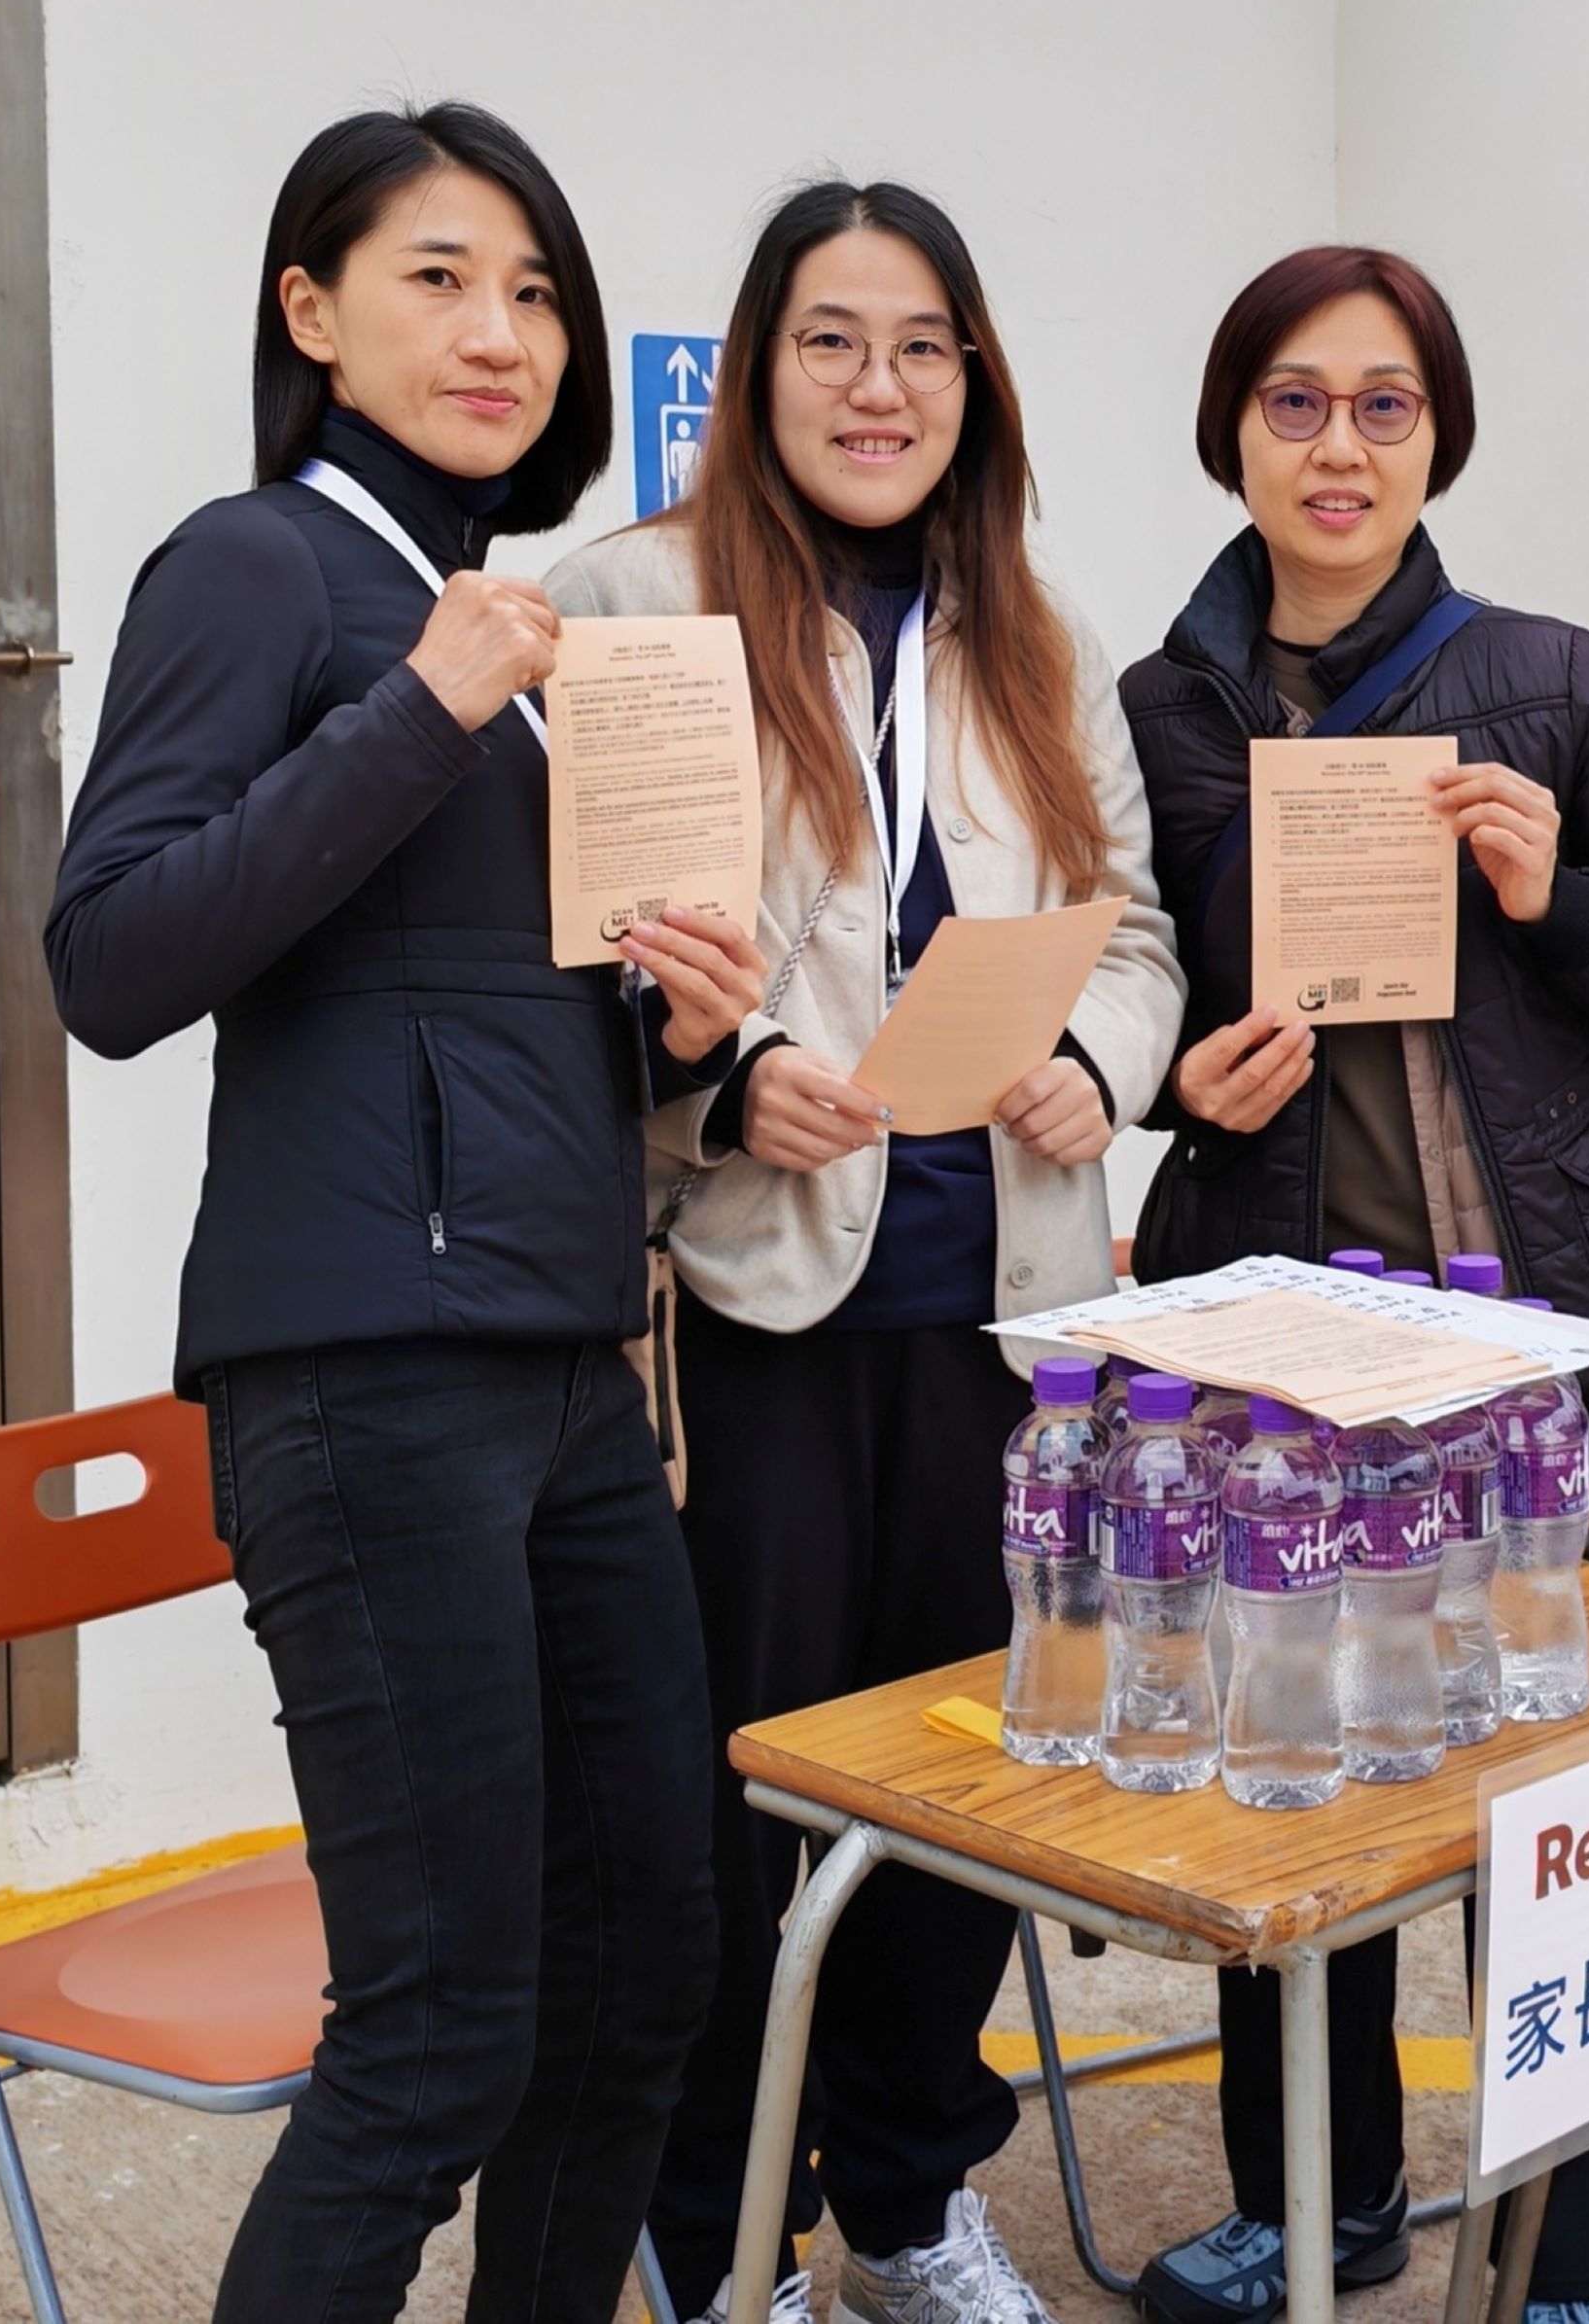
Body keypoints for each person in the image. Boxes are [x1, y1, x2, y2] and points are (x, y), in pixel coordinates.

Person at [44, 102, 768, 2324]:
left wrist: (674, 1034)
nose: (498, 332)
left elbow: (454, 1011)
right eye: (437, 278)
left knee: (640, 1969)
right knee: (437, 2030)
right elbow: (111, 959)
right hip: (362, 1383)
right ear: (310, 309)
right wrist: (421, 711)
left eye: (532, 291)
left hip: (558, 1367)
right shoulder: (260, 566)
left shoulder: (514, 636)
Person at [546, 182, 1183, 2324]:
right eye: (830, 340)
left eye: (921, 345)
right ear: (755, 370)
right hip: (749, 1315)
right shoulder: (635, 603)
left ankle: (906, 2208)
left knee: (965, 1788)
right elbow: (572, 971)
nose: (877, 387)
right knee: (727, 1810)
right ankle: (712, 2240)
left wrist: (1096, 1060)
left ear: (972, 381)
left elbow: (1137, 928)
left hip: (1005, 1323)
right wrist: (723, 1089)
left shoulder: (1041, 636)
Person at [1113, 246, 1589, 2324]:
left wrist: (1553, 892)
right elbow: (1132, 983)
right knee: (1295, 1776)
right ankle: (1316, 2202)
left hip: (1528, 1330)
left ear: (1435, 439)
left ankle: (1567, 2258)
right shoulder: (1159, 710)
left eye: (1383, 405)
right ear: (1230, 431)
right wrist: (1172, 1089)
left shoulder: (1544, 676)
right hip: (1281, 1338)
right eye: (1292, 402)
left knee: (1563, 1788)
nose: (1338, 446)